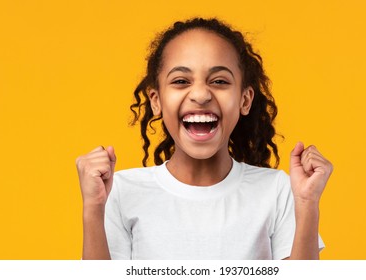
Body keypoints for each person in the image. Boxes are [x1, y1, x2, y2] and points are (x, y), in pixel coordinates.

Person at [75, 18, 333, 260]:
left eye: (219, 81)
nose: (200, 94)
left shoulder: (277, 190)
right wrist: (93, 209)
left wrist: (307, 204)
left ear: (244, 100)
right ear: (156, 101)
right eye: (180, 81)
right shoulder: (120, 191)